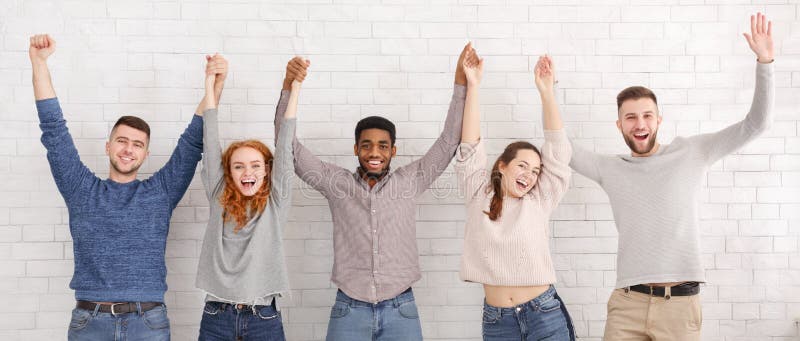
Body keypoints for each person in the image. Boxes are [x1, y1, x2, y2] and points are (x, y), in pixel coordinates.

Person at [568, 13, 775, 340]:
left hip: (679, 306)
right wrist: (546, 94)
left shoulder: (693, 152)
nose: (640, 123)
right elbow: (560, 149)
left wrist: (765, 62)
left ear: (659, 120)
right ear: (619, 125)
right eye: (631, 117)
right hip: (627, 305)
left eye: (647, 115)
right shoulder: (610, 168)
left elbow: (756, 124)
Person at [30, 34, 223, 340]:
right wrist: (38, 63)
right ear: (108, 146)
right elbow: (54, 131)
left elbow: (191, 143)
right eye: (122, 141)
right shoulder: (82, 190)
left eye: (137, 145)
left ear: (145, 154)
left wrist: (214, 85)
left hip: (147, 323)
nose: (128, 149)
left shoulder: (160, 192)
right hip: (89, 323)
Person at [277, 43, 471, 340]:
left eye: (382, 145)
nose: (374, 152)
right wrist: (289, 87)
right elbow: (287, 149)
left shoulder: (411, 180)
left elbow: (448, 142)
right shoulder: (335, 183)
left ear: (393, 150)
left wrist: (461, 81)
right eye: (366, 145)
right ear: (356, 149)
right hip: (349, 309)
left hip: (401, 308)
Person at [456, 49, 575, 340]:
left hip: (544, 313)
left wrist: (547, 92)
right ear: (502, 165)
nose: (530, 175)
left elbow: (558, 150)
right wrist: (473, 85)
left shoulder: (539, 200)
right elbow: (470, 145)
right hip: (498, 321)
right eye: (523, 166)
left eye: (536, 171)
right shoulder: (478, 193)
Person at [194, 54, 301, 341]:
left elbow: (286, 139)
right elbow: (210, 138)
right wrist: (209, 84)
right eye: (238, 166)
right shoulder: (219, 196)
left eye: (255, 165)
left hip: (263, 318)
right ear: (228, 172)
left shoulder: (275, 202)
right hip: (217, 316)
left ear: (267, 170)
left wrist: (295, 88)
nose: (247, 172)